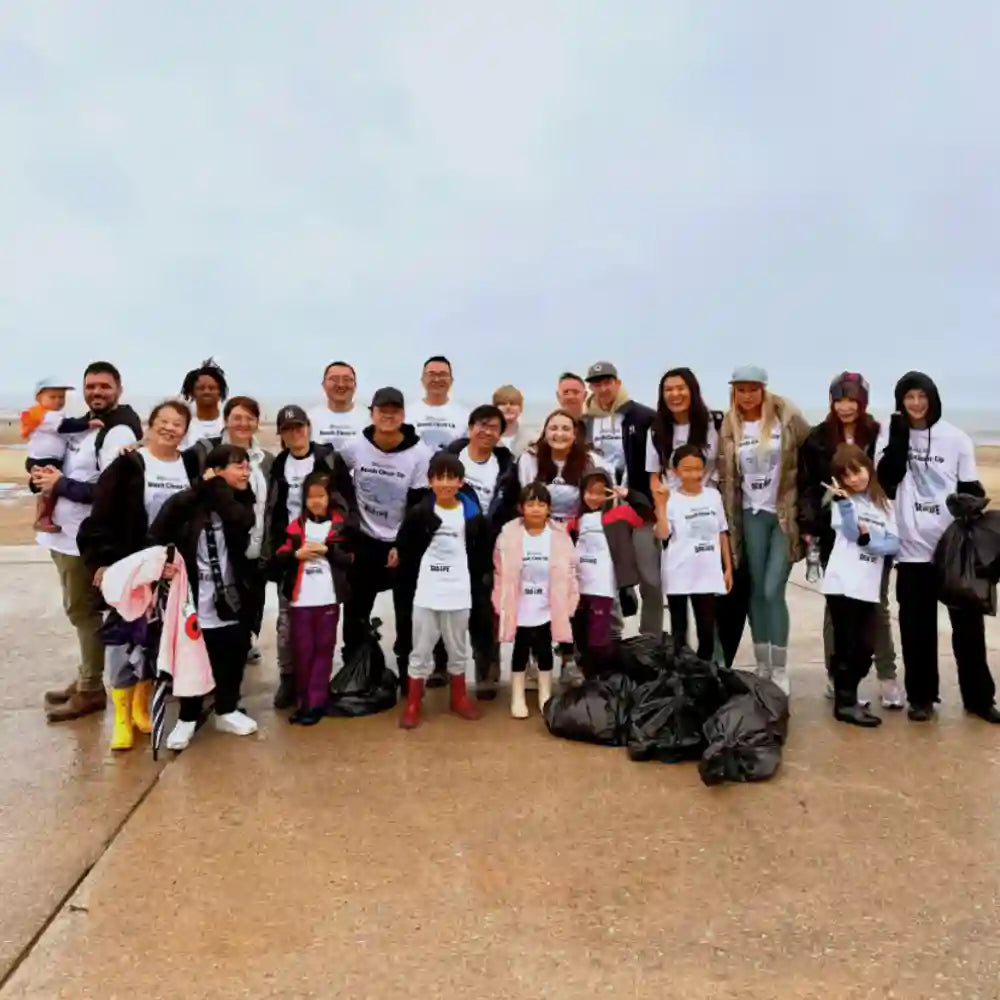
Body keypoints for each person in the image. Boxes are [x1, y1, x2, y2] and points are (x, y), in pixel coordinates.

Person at [877, 372, 1000, 723]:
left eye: (922, 396)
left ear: (932, 398)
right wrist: (900, 438)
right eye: (909, 397)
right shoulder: (890, 434)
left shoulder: (956, 439)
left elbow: (971, 486)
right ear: (900, 401)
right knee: (916, 630)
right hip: (911, 549)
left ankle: (978, 698)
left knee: (969, 629)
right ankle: (921, 697)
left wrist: (972, 503)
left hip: (952, 549)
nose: (916, 404)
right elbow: (886, 482)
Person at [78, 400, 194, 750]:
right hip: (129, 569)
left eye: (178, 424)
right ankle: (121, 718)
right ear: (151, 422)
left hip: (170, 571)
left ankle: (143, 708)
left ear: (185, 431)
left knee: (153, 642)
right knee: (122, 642)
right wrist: (100, 563)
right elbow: (99, 518)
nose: (170, 428)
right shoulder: (128, 464)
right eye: (164, 421)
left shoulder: (189, 463)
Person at [32, 361, 143, 722]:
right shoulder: (87, 426)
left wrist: (60, 486)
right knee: (78, 611)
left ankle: (92, 688)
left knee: (85, 613)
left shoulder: (119, 433)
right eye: (90, 386)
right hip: (64, 537)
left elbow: (110, 491)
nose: (96, 392)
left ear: (119, 389)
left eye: (104, 386)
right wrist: (41, 479)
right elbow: (64, 465)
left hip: (87, 540)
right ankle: (85, 676)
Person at [797, 373, 903, 709]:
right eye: (839, 400)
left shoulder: (877, 433)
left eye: (852, 400)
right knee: (836, 604)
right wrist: (809, 523)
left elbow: (891, 473)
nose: (845, 407)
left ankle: (887, 676)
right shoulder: (817, 438)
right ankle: (836, 673)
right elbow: (808, 485)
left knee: (877, 604)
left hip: (875, 523)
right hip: (835, 529)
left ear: (862, 402)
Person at [153, 445, 260, 750]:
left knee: (233, 654)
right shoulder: (186, 503)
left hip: (234, 594)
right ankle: (187, 717)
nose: (246, 472)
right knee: (192, 658)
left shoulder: (241, 500)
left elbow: (239, 520)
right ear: (215, 470)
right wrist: (205, 487)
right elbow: (158, 533)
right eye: (238, 466)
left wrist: (217, 488)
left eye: (247, 466)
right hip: (193, 597)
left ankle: (226, 710)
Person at [718, 365, 809, 695]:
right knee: (756, 589)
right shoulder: (730, 424)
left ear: (763, 389)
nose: (746, 395)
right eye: (740, 389)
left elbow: (811, 455)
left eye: (752, 389)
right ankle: (763, 664)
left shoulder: (787, 417)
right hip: (749, 515)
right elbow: (724, 472)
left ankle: (781, 667)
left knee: (773, 589)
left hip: (783, 515)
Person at [337, 388, 432, 690]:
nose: (388, 416)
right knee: (355, 609)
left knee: (406, 612)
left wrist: (401, 545)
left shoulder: (420, 454)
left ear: (403, 415)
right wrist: (347, 526)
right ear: (372, 413)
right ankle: (353, 665)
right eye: (382, 410)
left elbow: (419, 505)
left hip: (401, 543)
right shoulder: (355, 446)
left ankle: (407, 670)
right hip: (364, 540)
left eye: (394, 410)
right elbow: (337, 481)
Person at [262, 404, 356, 709]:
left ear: (308, 428)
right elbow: (272, 511)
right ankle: (289, 677)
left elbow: (346, 503)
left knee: (324, 621)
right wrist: (279, 552)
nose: (294, 433)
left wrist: (334, 540)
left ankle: (318, 681)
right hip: (293, 550)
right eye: (288, 429)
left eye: (299, 427)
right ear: (281, 435)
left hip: (325, 549)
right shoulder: (279, 464)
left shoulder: (328, 459)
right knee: (287, 620)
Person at [394, 452, 490, 728]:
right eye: (440, 477)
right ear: (430, 481)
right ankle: (413, 702)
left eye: (452, 478)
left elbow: (482, 552)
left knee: (458, 645)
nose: (446, 483)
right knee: (421, 646)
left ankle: (459, 698)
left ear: (461, 482)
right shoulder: (420, 513)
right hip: (427, 588)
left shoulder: (472, 514)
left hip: (459, 588)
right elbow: (406, 548)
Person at [184, 396, 274, 663]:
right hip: (218, 547)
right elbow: (177, 464)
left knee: (250, 603)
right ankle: (207, 662)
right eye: (237, 417)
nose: (243, 423)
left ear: (258, 422)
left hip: (255, 545)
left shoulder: (265, 459)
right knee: (212, 607)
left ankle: (241, 648)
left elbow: (268, 504)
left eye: (250, 417)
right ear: (226, 420)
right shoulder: (205, 451)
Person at [444, 404, 520, 697]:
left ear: (501, 434)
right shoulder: (450, 458)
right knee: (445, 605)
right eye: (482, 424)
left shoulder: (506, 466)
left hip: (488, 549)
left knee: (484, 610)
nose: (487, 431)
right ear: (470, 426)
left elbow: (512, 508)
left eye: (494, 427)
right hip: (449, 544)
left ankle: (487, 669)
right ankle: (441, 666)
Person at [582, 360, 661, 638]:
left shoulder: (643, 416)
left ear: (617, 382)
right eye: (596, 383)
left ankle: (651, 640)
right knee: (604, 578)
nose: (602, 388)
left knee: (650, 579)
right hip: (602, 512)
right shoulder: (585, 422)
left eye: (607, 382)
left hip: (638, 508)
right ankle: (609, 639)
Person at [822, 445, 900, 728]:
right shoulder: (842, 503)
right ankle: (845, 703)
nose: (854, 480)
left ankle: (849, 697)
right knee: (847, 645)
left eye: (857, 472)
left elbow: (894, 543)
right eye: (846, 476)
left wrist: (872, 543)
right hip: (843, 582)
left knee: (865, 647)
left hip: (868, 585)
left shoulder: (885, 504)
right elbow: (852, 533)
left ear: (869, 468)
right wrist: (844, 505)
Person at [272, 470, 353, 725]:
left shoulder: (341, 525)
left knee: (323, 650)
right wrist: (296, 554)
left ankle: (316, 702)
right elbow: (281, 554)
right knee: (302, 651)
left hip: (328, 599)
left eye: (321, 496)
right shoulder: (297, 526)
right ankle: (302, 700)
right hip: (301, 600)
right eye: (310, 497)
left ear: (330, 497)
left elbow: (350, 558)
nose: (316, 501)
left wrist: (327, 551)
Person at [493, 483, 579, 718]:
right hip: (519, 604)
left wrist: (570, 599)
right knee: (520, 649)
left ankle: (545, 695)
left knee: (544, 649)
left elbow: (571, 570)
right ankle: (518, 696)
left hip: (547, 604)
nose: (536, 509)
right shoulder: (508, 535)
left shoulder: (559, 537)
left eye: (541, 504)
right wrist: (499, 599)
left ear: (549, 508)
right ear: (521, 508)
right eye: (530, 504)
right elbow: (499, 571)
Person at [652, 446, 733, 661]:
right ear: (675, 471)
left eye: (698, 469)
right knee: (679, 630)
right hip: (679, 570)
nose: (693, 474)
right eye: (687, 469)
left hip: (707, 571)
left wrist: (728, 568)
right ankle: (681, 675)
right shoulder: (669, 499)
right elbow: (662, 534)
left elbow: (722, 533)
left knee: (706, 630)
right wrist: (660, 506)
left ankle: (703, 673)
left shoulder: (713, 496)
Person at [567, 470, 650, 677]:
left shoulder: (619, 515)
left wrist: (627, 495)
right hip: (579, 587)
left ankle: (605, 676)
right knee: (580, 633)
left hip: (603, 587)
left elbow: (647, 513)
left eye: (600, 492)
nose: (595, 497)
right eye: (590, 492)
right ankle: (588, 675)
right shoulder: (576, 519)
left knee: (600, 636)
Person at [22, 378, 102, 532]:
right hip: (43, 459)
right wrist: (88, 423)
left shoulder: (52, 414)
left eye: (61, 397)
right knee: (49, 489)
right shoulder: (43, 415)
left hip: (47, 458)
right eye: (53, 397)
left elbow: (67, 425)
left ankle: (44, 516)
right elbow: (65, 425)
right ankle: (43, 518)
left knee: (48, 487)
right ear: (39, 398)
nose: (58, 401)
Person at [517, 410, 598, 527]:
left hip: (578, 525)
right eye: (553, 428)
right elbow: (526, 497)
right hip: (538, 524)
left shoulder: (589, 460)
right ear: (545, 433)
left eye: (566, 429)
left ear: (574, 434)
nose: (559, 434)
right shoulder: (529, 459)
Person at [645, 368, 721, 492]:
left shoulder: (715, 424)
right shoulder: (656, 430)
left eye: (681, 388)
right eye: (668, 390)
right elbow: (654, 477)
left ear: (692, 391)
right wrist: (661, 507)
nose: (675, 394)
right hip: (674, 505)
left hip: (709, 504)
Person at [407, 356, 466, 451]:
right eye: (431, 374)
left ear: (451, 380)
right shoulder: (407, 414)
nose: (437, 379)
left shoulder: (465, 416)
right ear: (422, 379)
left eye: (443, 374)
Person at [308, 361, 367, 447]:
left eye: (346, 379)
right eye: (334, 379)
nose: (341, 384)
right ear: (323, 385)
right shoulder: (309, 419)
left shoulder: (369, 418)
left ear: (355, 385)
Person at [180, 358, 228, 448]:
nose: (206, 392)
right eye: (200, 388)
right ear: (191, 392)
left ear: (220, 391)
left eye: (212, 388)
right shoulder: (182, 422)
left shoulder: (229, 421)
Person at [492, 385, 533, 458]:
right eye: (503, 403)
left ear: (521, 408)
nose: (508, 407)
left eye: (513, 403)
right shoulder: (485, 439)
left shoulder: (532, 440)